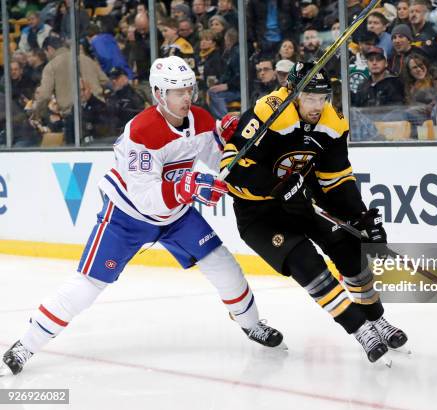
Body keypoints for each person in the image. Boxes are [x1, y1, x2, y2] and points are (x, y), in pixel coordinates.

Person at [0, 56, 284, 377]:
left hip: (176, 214)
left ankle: (251, 324)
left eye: (189, 89)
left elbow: (217, 159)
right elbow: (145, 197)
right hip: (127, 216)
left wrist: (232, 142)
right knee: (89, 284)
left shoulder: (200, 119)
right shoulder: (141, 131)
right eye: (177, 92)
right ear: (159, 94)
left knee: (222, 262)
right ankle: (26, 344)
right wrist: (186, 187)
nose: (186, 97)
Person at [221, 62, 407, 363]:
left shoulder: (331, 124)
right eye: (310, 98)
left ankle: (377, 320)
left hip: (303, 202)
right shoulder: (269, 113)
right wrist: (276, 186)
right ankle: (360, 329)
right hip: (260, 214)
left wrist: (359, 218)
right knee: (306, 263)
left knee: (350, 249)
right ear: (293, 94)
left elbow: (336, 179)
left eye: (323, 98)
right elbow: (229, 168)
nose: (317, 106)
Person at [106, 67, 146, 136]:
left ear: (124, 79)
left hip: (131, 135)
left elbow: (140, 115)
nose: (113, 81)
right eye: (112, 79)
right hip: (113, 135)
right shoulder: (111, 95)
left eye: (116, 78)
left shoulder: (134, 95)